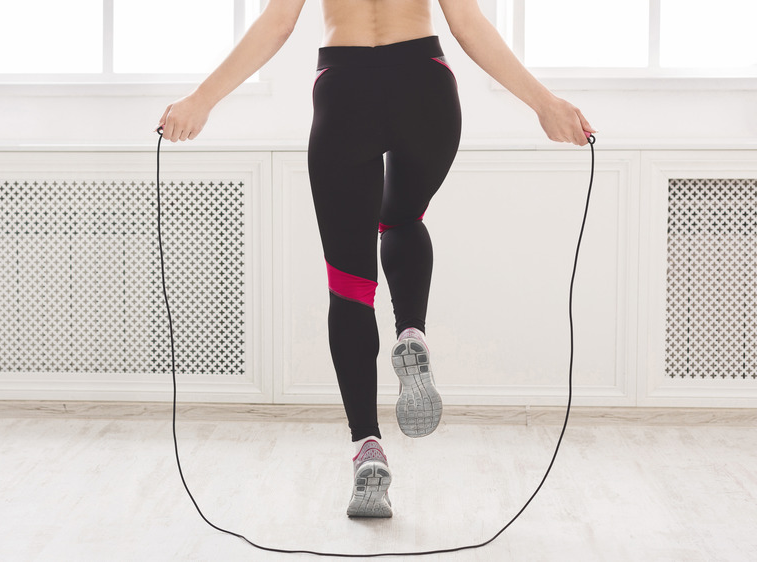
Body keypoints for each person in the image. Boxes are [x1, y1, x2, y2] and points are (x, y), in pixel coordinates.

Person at [158, 0, 595, 518]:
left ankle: (368, 449)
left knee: (350, 283)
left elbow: (278, 22)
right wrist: (544, 103)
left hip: (345, 89)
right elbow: (467, 23)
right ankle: (411, 330)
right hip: (425, 86)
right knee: (403, 218)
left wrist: (201, 100)